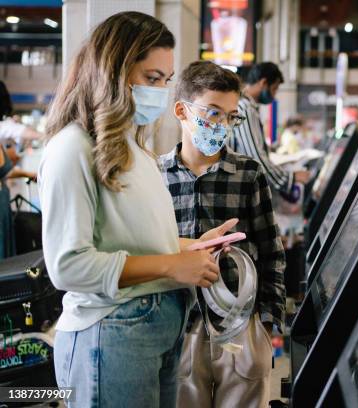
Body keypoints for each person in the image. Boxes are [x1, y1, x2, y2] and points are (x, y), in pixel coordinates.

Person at [39, 12, 236, 407]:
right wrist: (170, 265)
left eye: (165, 80)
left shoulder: (133, 147)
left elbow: (132, 238)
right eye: (151, 78)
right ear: (113, 70)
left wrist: (188, 248)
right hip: (111, 331)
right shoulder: (72, 148)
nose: (160, 91)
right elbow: (68, 266)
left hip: (155, 326)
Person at [159, 60, 286, 408]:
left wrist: (267, 321)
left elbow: (271, 250)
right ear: (182, 111)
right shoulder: (156, 177)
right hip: (178, 326)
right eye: (213, 112)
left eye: (230, 116)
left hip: (240, 325)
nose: (222, 125)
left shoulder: (247, 174)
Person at [230, 62, 310, 197]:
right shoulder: (245, 109)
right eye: (274, 89)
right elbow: (255, 157)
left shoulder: (248, 108)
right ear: (263, 83)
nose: (274, 95)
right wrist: (291, 179)